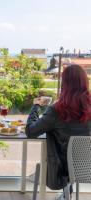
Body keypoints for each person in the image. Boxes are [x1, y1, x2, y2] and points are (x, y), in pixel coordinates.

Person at [26, 64, 91, 198]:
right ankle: (68, 192)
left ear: (64, 84)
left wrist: (36, 106)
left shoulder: (57, 110)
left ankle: (66, 191)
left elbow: (31, 131)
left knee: (43, 165)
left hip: (61, 170)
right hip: (87, 168)